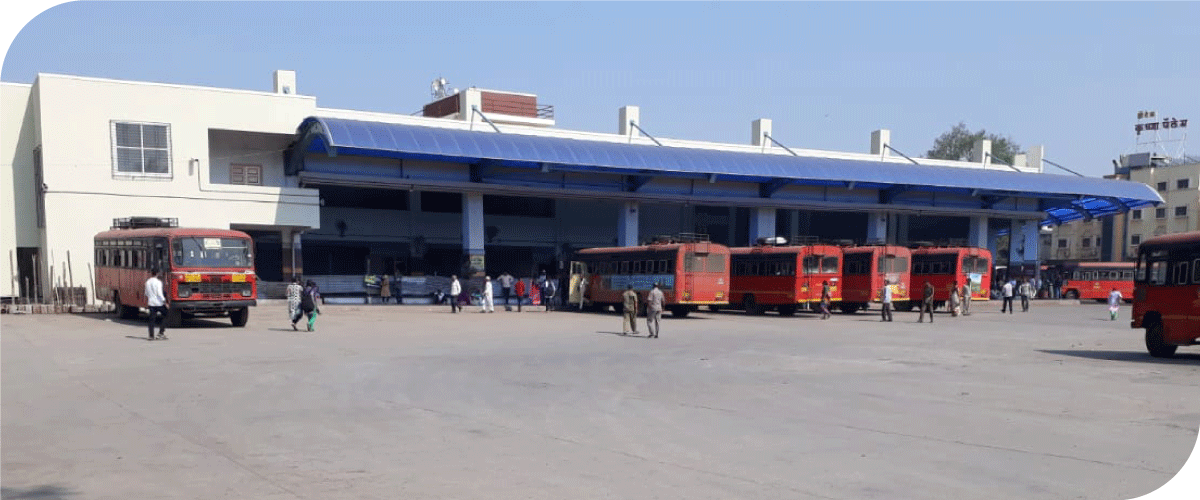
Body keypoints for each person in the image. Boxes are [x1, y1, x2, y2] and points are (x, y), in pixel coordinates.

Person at [145, 267, 168, 340]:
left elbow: (146, 293)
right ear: (157, 273)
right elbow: (159, 294)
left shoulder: (147, 282)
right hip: (159, 303)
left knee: (151, 320)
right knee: (166, 315)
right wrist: (165, 302)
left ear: (151, 273)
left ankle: (151, 336)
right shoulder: (158, 282)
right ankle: (161, 333)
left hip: (151, 303)